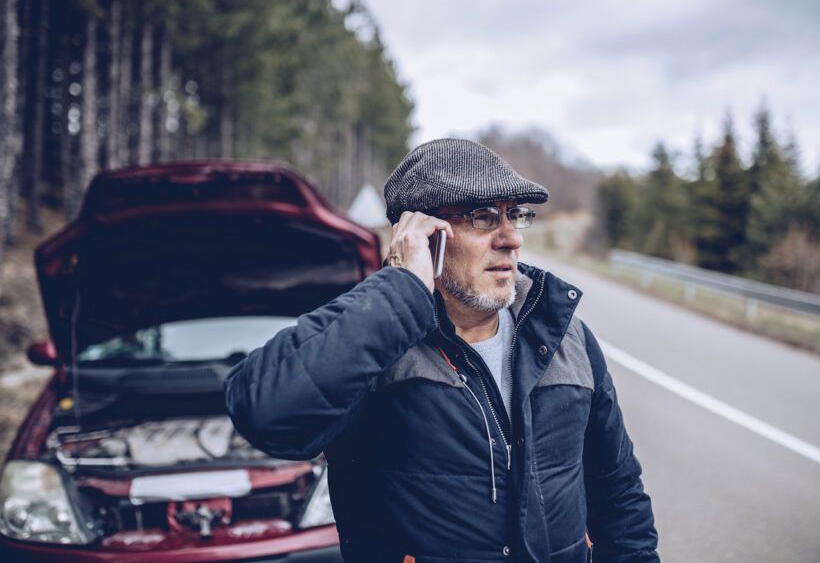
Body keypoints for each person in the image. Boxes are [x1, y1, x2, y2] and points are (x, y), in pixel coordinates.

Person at [224, 138, 659, 562]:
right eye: (484, 218)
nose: (511, 239)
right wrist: (402, 287)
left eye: (516, 215)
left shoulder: (567, 337)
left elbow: (617, 492)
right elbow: (264, 412)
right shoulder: (372, 345)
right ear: (424, 234)